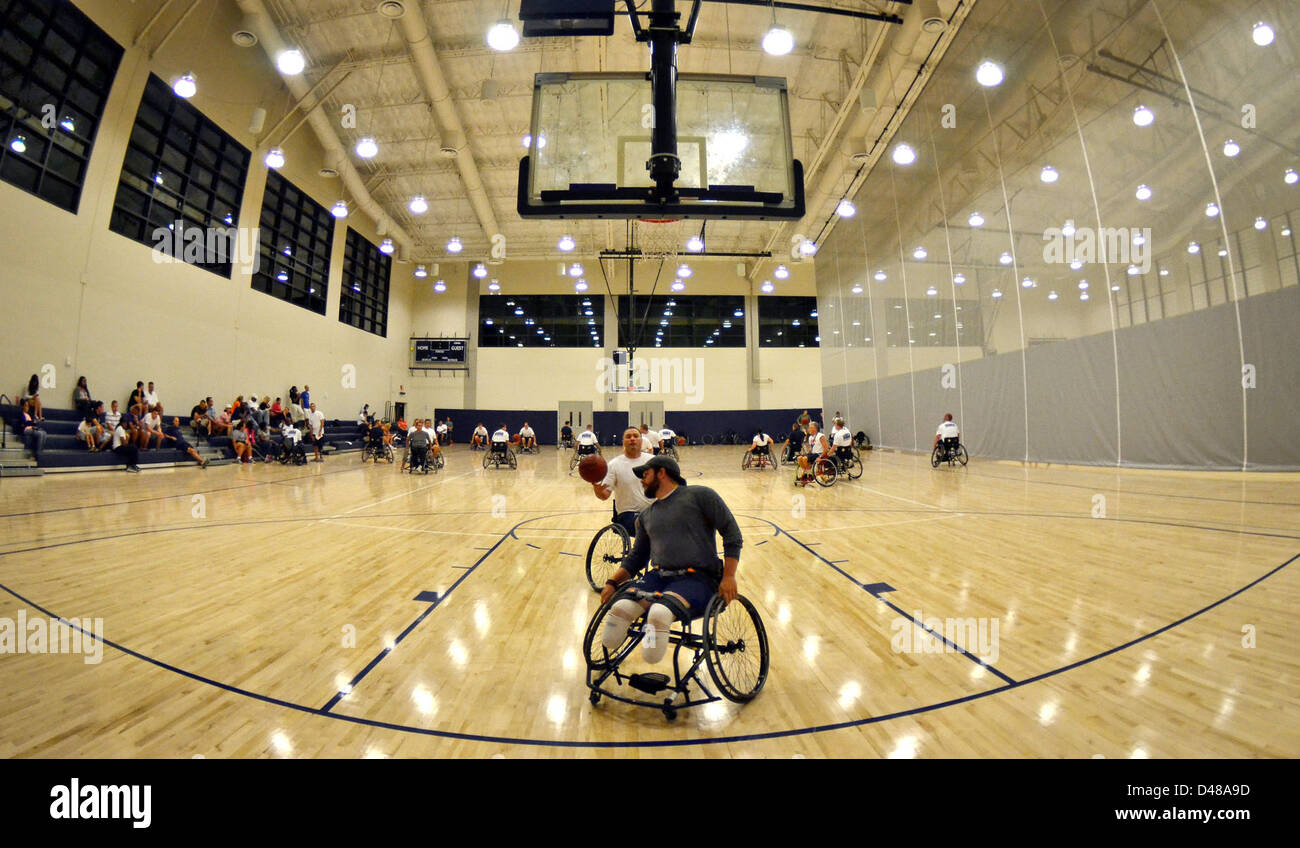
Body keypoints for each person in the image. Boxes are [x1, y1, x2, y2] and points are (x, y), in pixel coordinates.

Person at [598, 455, 743, 665]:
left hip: (699, 579)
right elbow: (637, 557)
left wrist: (729, 576)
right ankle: (636, 665)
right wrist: (612, 582)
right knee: (620, 609)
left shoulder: (700, 495)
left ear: (662, 472)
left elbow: (732, 534)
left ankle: (650, 659)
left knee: (658, 613)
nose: (641, 480)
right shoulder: (646, 516)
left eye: (645, 474)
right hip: (659, 577)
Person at [592, 427, 655, 538]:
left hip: (653, 511)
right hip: (628, 515)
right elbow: (604, 495)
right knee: (648, 527)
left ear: (642, 440)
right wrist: (597, 489)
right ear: (623, 442)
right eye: (628, 436)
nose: (632, 439)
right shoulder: (614, 464)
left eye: (636, 436)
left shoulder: (653, 461)